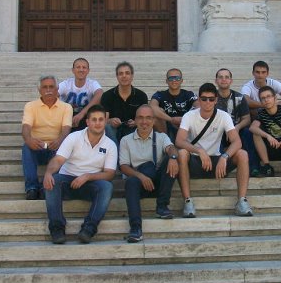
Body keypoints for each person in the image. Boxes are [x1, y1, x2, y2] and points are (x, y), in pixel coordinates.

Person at [175, 82, 252, 218]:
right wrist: (199, 151)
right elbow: (179, 141)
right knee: (182, 153)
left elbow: (237, 141)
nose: (207, 102)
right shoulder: (189, 116)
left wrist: (225, 156)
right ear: (199, 100)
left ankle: (242, 201)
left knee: (243, 154)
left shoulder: (223, 116)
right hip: (195, 161)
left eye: (211, 99)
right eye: (204, 99)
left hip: (216, 160)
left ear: (216, 100)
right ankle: (187, 201)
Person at [42, 104, 116, 244]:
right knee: (54, 180)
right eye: (94, 119)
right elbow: (58, 160)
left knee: (107, 187)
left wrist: (88, 176)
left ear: (105, 121)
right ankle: (57, 229)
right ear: (87, 122)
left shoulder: (110, 145)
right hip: (67, 181)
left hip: (90, 185)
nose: (98, 123)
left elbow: (110, 174)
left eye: (101, 119)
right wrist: (48, 172)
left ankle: (88, 229)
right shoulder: (73, 137)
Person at [119, 105, 178, 243]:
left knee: (172, 159)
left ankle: (162, 206)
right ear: (135, 120)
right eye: (140, 117)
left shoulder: (162, 137)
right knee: (131, 182)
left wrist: (173, 158)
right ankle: (135, 228)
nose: (144, 122)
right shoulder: (125, 140)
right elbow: (123, 166)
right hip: (139, 183)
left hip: (159, 184)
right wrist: (141, 176)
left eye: (148, 118)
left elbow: (171, 148)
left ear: (154, 120)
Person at [21, 75, 72, 200]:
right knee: (26, 147)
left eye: (51, 87)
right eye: (45, 87)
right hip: (37, 145)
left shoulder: (66, 107)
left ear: (57, 89)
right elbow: (26, 127)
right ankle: (31, 188)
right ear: (39, 90)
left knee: (62, 150)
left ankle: (45, 187)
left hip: (55, 146)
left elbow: (66, 129)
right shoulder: (30, 106)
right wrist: (29, 140)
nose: (48, 90)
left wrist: (60, 140)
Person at [214, 68, 257, 172]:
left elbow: (247, 119)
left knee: (247, 132)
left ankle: (253, 167)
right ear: (216, 81)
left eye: (227, 77)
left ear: (231, 81)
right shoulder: (211, 97)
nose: (224, 79)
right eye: (220, 77)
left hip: (235, 130)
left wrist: (236, 128)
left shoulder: (239, 97)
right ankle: (216, 165)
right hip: (216, 130)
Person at [100, 61, 148, 147]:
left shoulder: (141, 96)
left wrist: (136, 122)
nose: (124, 76)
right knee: (107, 128)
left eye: (127, 73)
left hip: (133, 129)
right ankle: (115, 153)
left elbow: (146, 118)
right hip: (113, 130)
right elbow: (103, 120)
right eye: (121, 73)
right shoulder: (107, 96)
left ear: (132, 76)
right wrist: (110, 121)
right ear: (117, 77)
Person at [150, 68, 197, 141]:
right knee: (157, 113)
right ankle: (165, 143)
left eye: (177, 78)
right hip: (165, 129)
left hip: (185, 127)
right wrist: (171, 120)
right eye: (171, 78)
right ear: (166, 81)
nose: (174, 80)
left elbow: (199, 106)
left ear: (182, 81)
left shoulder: (189, 94)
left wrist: (184, 119)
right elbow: (152, 107)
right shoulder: (160, 94)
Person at [58, 57, 103, 132]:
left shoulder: (92, 83)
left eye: (84, 67)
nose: (81, 70)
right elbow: (53, 95)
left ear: (88, 70)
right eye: (78, 67)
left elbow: (100, 94)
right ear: (73, 70)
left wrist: (81, 114)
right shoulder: (66, 84)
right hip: (66, 115)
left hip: (85, 115)